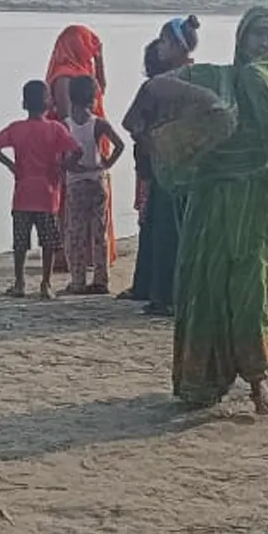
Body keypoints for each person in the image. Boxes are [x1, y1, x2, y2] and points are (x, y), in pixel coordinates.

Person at [144, 6, 268, 413]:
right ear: (241, 38)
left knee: (249, 293)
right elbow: (157, 88)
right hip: (212, 204)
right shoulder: (221, 77)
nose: (263, 45)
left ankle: (257, 382)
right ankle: (200, 382)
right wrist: (208, 102)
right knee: (205, 288)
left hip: (255, 209)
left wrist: (262, 86)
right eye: (257, 36)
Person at [120, 17, 199, 315]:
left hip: (165, 168)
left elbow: (131, 122)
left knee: (165, 229)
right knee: (172, 227)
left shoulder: (159, 84)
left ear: (178, 46)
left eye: (165, 42)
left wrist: (153, 142)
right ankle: (163, 291)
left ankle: (164, 296)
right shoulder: (197, 75)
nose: (160, 47)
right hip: (186, 166)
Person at [0, 80, 79, 299]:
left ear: (24, 103)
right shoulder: (55, 129)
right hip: (48, 194)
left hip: (23, 195)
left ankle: (19, 282)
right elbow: (77, 149)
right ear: (48, 103)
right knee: (48, 242)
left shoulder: (16, 129)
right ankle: (45, 283)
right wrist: (62, 167)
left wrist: (10, 165)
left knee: (21, 243)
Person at [44, 25, 115, 272]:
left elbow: (101, 88)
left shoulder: (84, 73)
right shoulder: (64, 75)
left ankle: (90, 256)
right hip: (75, 149)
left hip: (91, 148)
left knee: (90, 212)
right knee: (70, 207)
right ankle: (69, 254)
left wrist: (100, 59)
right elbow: (66, 120)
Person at [61, 75, 126, 295]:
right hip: (97, 180)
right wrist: (107, 163)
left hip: (76, 184)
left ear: (71, 97)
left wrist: (68, 166)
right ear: (93, 98)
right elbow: (120, 145)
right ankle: (101, 279)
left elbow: (60, 157)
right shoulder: (99, 123)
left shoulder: (65, 125)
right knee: (99, 232)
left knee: (76, 233)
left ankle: (78, 280)